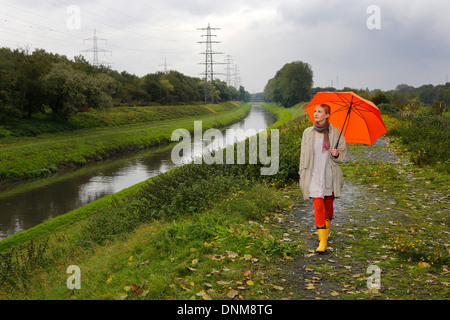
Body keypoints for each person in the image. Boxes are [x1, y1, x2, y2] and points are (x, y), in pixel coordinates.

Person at [299, 104, 347, 253]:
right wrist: (302, 172)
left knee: (328, 204)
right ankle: (323, 241)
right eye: (315, 111)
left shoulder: (337, 133)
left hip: (328, 172)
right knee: (318, 204)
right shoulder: (308, 132)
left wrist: (336, 154)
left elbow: (342, 156)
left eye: (320, 111)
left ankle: (326, 232)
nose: (316, 114)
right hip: (313, 173)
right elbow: (303, 154)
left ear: (327, 115)